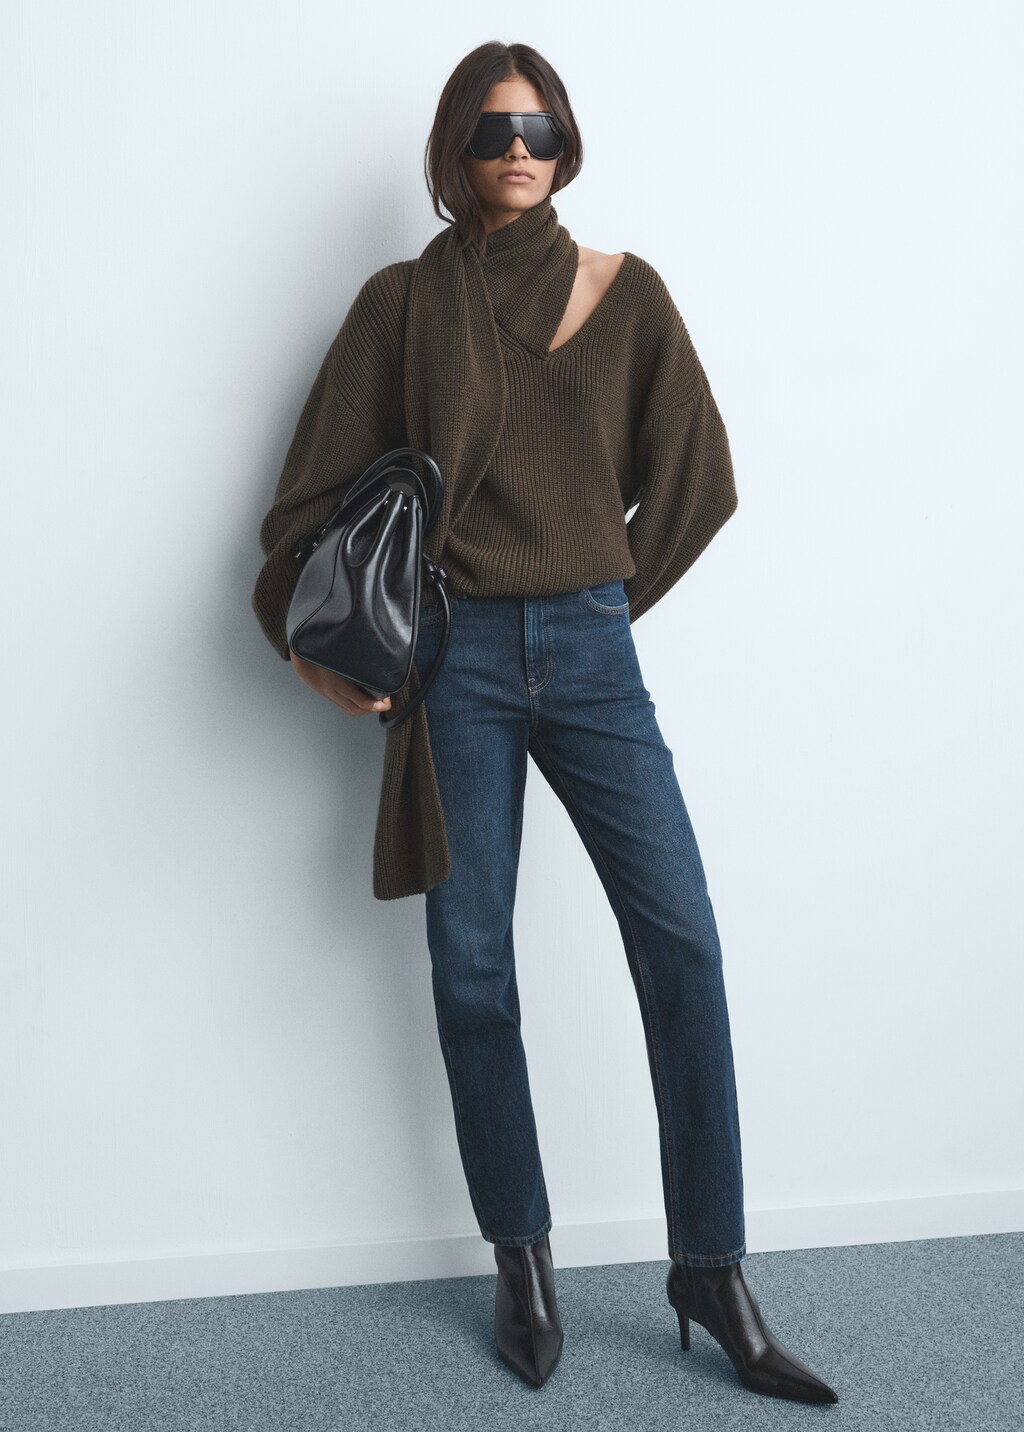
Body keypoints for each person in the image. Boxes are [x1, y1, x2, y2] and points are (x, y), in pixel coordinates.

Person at [252, 41, 839, 1405]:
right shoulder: (405, 303)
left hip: (589, 655)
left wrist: (601, 603)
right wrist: (321, 657)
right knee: (472, 967)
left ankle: (711, 1270)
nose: (516, 148)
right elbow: (303, 507)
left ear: (567, 143)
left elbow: (698, 480)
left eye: (539, 127)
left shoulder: (627, 295)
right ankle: (523, 1261)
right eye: (490, 129)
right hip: (455, 658)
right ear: (452, 150)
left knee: (682, 941)